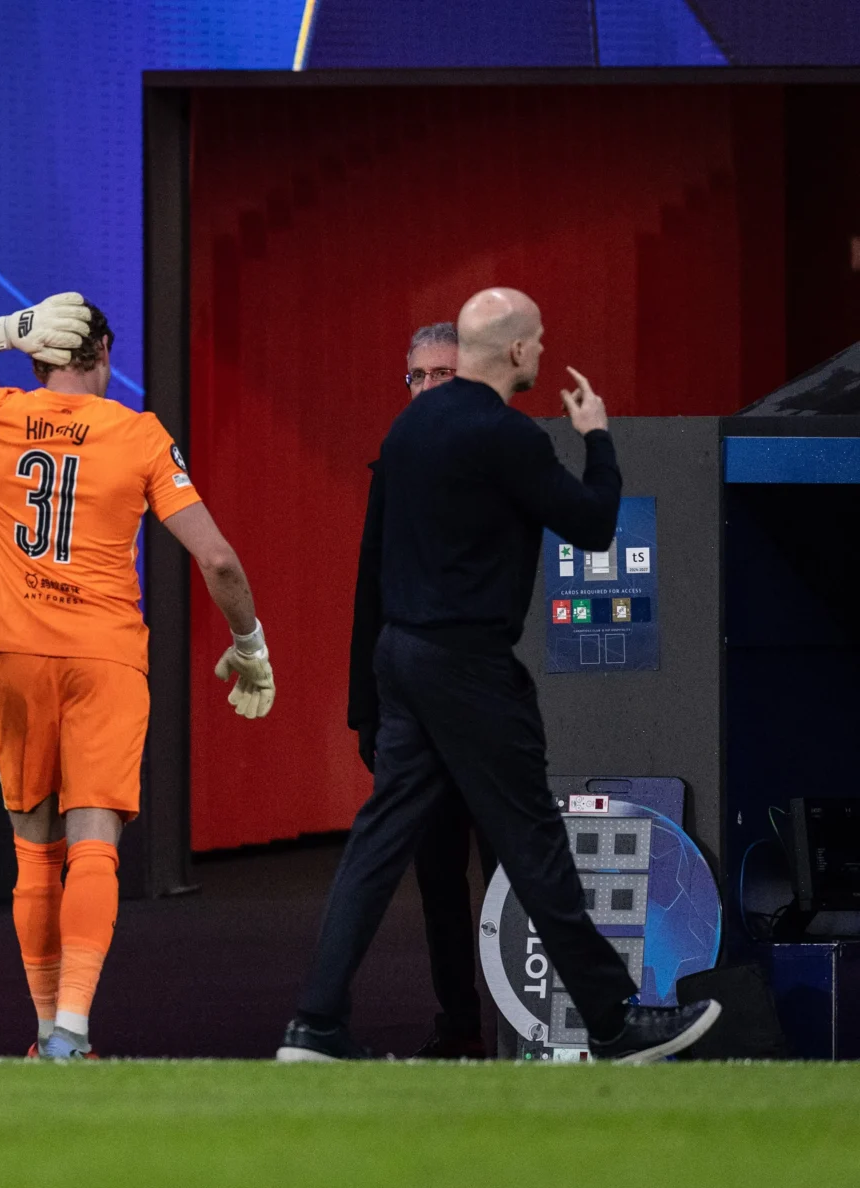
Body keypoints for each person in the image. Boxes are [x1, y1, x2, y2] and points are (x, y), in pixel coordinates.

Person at [278, 287, 720, 1064]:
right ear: (515, 351)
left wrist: (365, 701)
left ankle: (314, 1024)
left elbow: (373, 571)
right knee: (534, 842)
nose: (544, 352)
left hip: (403, 660)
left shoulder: (408, 429)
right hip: (470, 667)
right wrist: (598, 439)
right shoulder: (507, 438)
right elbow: (590, 524)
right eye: (539, 340)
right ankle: (615, 1021)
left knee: (378, 846)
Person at [0, 293, 275, 1059]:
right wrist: (251, 645)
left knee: (34, 851)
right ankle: (74, 1028)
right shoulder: (138, 434)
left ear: (36, 357)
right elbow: (219, 560)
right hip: (105, 655)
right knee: (95, 843)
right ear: (104, 354)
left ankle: (44, 1033)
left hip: (17, 650)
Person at [349, 321, 494, 1059]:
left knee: (515, 875)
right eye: (418, 377)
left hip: (492, 712)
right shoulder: (392, 471)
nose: (429, 389)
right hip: (416, 718)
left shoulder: (507, 464)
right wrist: (364, 713)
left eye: (443, 375)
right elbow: (368, 596)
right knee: (438, 879)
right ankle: (460, 1024)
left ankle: (531, 1023)